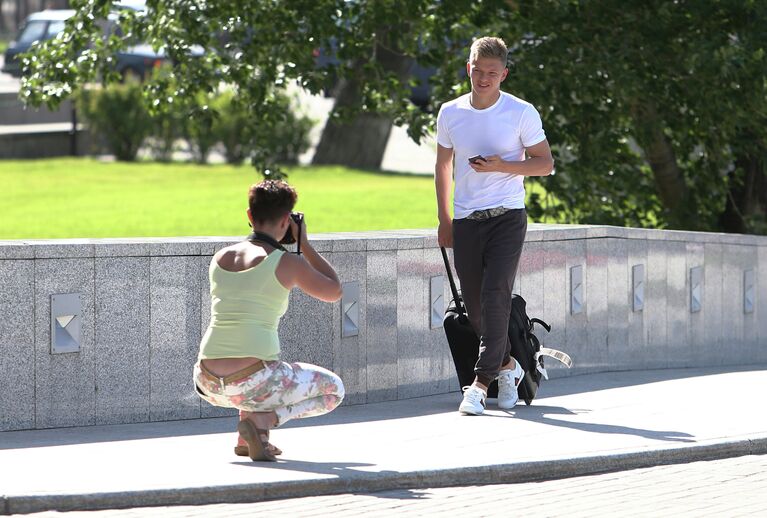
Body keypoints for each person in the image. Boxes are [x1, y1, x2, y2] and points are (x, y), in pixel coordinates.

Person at [434, 36, 554, 415]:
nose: (484, 78)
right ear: (468, 68)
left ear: (503, 73)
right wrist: (444, 219)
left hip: (507, 216)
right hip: (467, 219)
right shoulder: (450, 112)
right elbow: (442, 167)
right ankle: (509, 366)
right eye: (478, 70)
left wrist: (502, 165)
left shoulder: (520, 112)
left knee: (496, 295)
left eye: (492, 73)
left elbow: (545, 163)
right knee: (473, 310)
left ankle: (479, 383)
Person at [193, 180, 345, 461]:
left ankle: (247, 437)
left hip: (207, 381)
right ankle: (265, 422)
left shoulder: (220, 258)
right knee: (334, 390)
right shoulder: (287, 263)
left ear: (249, 216)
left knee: (257, 376)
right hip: (254, 379)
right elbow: (334, 291)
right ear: (287, 220)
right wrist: (305, 244)